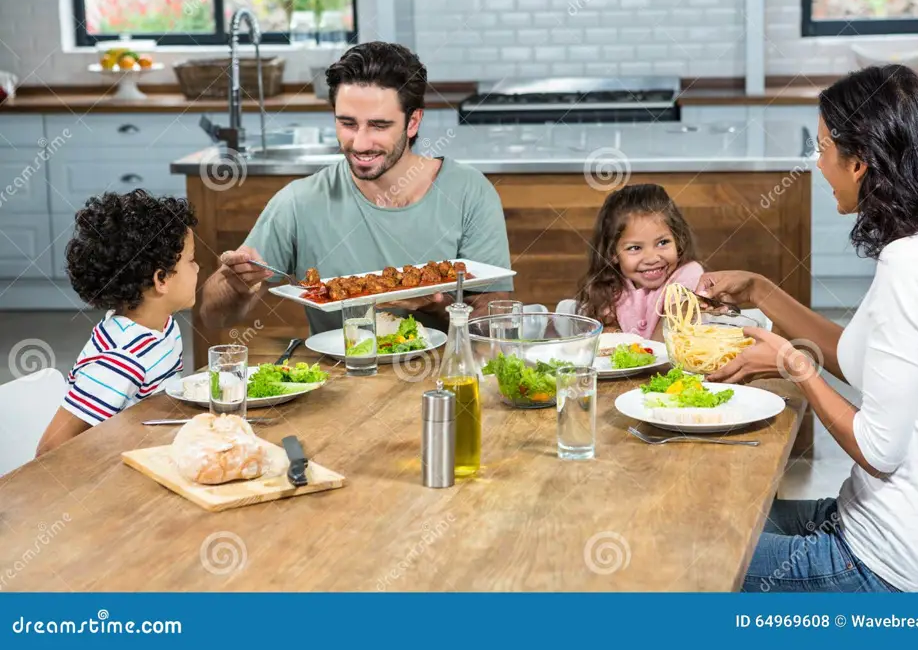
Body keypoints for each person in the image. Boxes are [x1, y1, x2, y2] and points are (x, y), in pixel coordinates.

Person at [697, 65, 918, 592]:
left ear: (861, 162)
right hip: (895, 540)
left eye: (822, 147)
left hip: (881, 569)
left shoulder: (911, 263)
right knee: (715, 513)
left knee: (687, 556)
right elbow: (857, 356)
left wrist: (791, 363)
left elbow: (880, 449)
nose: (818, 162)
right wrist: (760, 291)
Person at [198, 42, 513, 335]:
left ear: (413, 122)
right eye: (347, 123)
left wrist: (439, 307)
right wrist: (236, 284)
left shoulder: (469, 192)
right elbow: (212, 317)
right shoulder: (299, 201)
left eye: (378, 125)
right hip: (338, 385)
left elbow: (496, 322)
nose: (360, 143)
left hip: (442, 384)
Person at [36, 190, 198, 455]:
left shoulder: (165, 326)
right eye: (191, 261)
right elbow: (48, 451)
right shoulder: (120, 360)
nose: (198, 268)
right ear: (162, 279)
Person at [575, 184, 703, 340]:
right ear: (613, 253)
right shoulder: (609, 288)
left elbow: (669, 339)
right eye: (635, 247)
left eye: (662, 243)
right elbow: (606, 337)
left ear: (678, 241)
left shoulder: (688, 275)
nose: (652, 258)